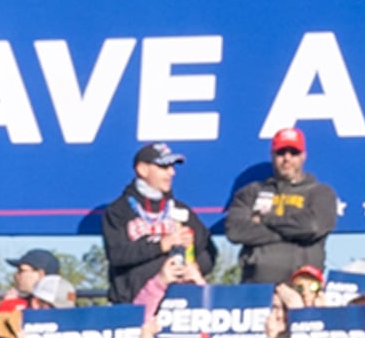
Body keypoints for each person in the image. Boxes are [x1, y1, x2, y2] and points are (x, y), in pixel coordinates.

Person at [94, 143, 213, 303]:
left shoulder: (181, 209)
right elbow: (117, 255)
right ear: (143, 169)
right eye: (164, 167)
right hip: (133, 305)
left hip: (178, 304)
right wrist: (162, 245)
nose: (171, 172)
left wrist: (196, 267)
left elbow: (209, 250)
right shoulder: (118, 211)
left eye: (172, 167)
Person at [216, 128, 339, 281]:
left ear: (303, 156)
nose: (287, 158)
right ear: (272, 155)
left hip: (303, 287)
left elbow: (312, 227)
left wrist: (266, 219)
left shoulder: (321, 193)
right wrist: (295, 232)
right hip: (257, 286)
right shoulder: (251, 192)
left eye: (293, 153)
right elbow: (235, 231)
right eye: (281, 153)